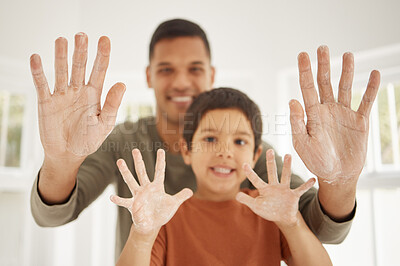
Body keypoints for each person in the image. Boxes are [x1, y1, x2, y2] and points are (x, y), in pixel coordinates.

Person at [29, 19, 380, 258]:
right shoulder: (124, 140)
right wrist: (61, 161)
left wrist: (341, 180)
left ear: (211, 74)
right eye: (166, 69)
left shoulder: (252, 156)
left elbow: (322, 231)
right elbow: (52, 217)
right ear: (149, 76)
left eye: (195, 69)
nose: (181, 82)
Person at [111, 87, 332, 266]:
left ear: (256, 155)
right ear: (186, 150)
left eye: (239, 141)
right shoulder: (166, 216)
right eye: (209, 139)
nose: (224, 151)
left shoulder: (270, 210)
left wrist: (293, 224)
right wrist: (142, 235)